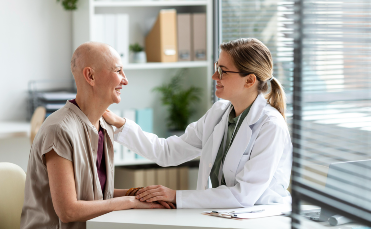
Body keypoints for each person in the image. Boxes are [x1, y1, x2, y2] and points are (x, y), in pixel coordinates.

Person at [104, 38, 292, 209]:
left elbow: (243, 196)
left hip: (262, 219)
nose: (214, 77)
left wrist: (176, 196)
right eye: (217, 67)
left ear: (250, 80)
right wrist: (120, 124)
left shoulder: (271, 126)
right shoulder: (219, 113)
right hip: (224, 215)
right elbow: (167, 152)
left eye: (223, 71)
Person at [20, 42, 168, 229]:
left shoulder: (104, 125)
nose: (125, 80)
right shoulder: (59, 130)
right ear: (90, 76)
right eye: (118, 71)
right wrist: (130, 202)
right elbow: (69, 211)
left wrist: (137, 194)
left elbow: (96, 195)